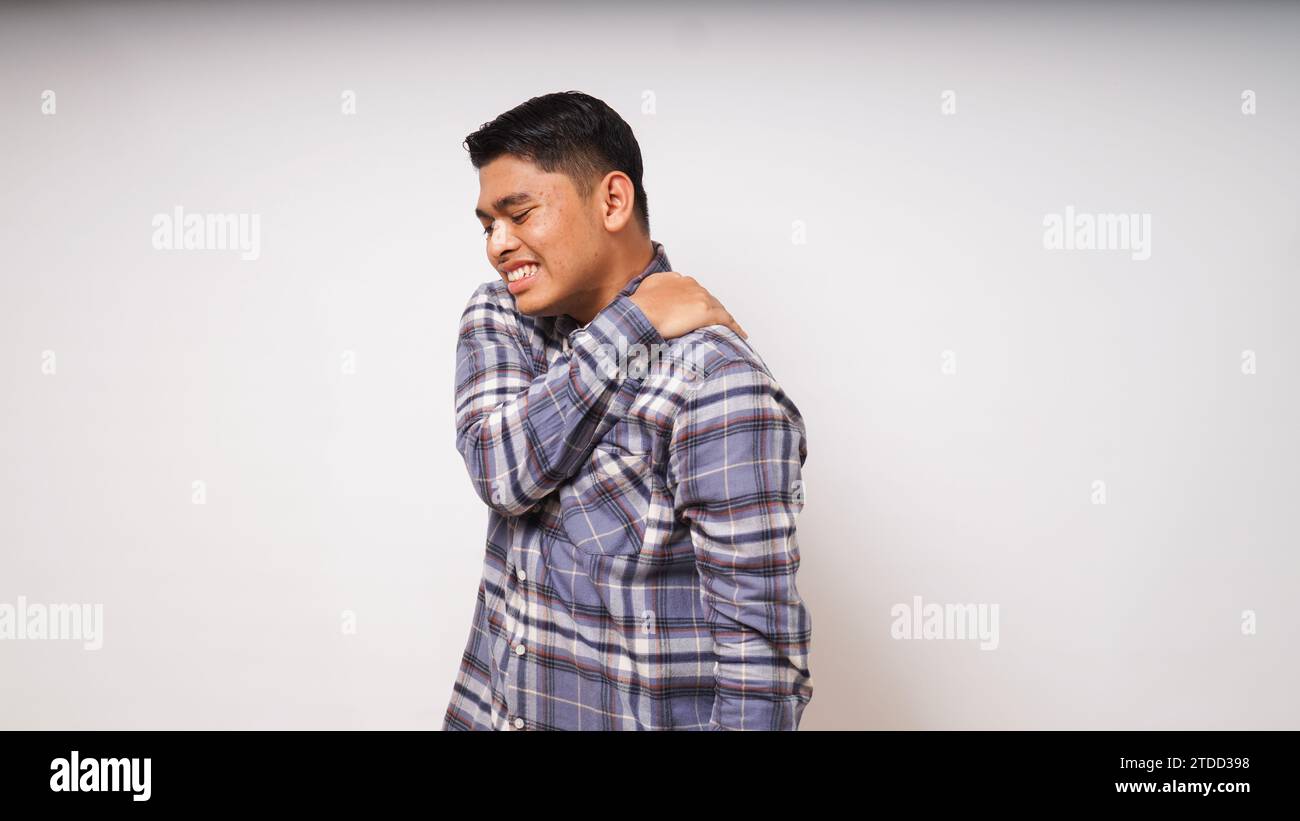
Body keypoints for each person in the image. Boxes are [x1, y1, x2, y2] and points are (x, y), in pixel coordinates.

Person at [442, 91, 813, 730]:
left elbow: (761, 666)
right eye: (487, 225)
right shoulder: (504, 316)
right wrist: (633, 322)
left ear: (612, 201)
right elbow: (500, 470)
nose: (498, 245)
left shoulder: (717, 383)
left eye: (520, 213)